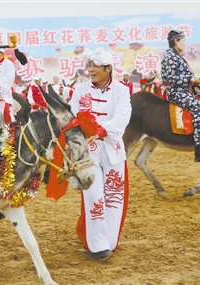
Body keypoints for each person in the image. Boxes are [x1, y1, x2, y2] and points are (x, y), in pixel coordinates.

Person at [68, 48, 131, 260]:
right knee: (94, 196)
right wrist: (80, 126)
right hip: (88, 153)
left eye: (96, 66)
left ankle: (110, 241)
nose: (91, 69)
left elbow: (123, 116)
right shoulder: (81, 89)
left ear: (108, 69)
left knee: (114, 197)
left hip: (113, 149)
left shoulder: (122, 91)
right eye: (89, 65)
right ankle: (98, 246)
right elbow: (71, 114)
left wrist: (102, 130)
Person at [161, 30, 200, 162]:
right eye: (183, 41)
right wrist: (191, 80)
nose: (185, 44)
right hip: (177, 92)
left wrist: (194, 81)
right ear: (176, 41)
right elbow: (169, 77)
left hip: (184, 90)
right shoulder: (170, 57)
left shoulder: (176, 56)